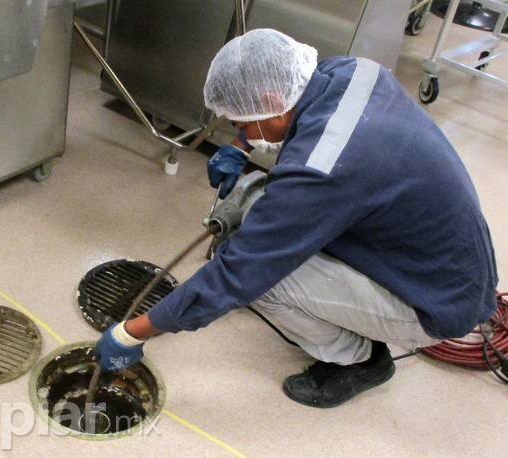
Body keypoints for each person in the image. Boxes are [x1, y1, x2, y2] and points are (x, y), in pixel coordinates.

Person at [94, 29, 498, 408]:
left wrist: (131, 333)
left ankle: (361, 360)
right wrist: (240, 144)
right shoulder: (352, 70)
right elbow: (295, 130)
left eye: (239, 121)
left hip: (433, 302)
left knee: (261, 281)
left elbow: (239, 275)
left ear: (271, 100)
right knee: (259, 210)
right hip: (435, 255)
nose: (238, 128)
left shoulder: (320, 169)